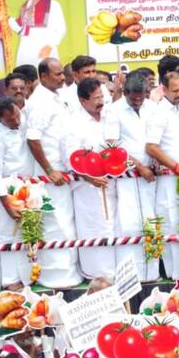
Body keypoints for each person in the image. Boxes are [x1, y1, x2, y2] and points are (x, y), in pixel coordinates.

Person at [26, 58, 81, 288]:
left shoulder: (56, 97)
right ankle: (56, 277)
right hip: (49, 177)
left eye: (62, 74)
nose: (62, 77)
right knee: (55, 225)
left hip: (62, 174)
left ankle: (68, 272)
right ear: (43, 76)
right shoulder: (40, 102)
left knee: (66, 224)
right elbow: (33, 138)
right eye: (57, 74)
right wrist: (49, 170)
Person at [105, 71, 159, 281]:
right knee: (129, 224)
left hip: (153, 174)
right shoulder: (114, 110)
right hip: (128, 176)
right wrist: (138, 166)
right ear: (125, 93)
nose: (137, 102)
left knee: (152, 221)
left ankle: (152, 273)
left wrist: (154, 162)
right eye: (132, 99)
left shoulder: (153, 108)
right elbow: (112, 144)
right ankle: (131, 276)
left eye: (141, 98)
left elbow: (157, 138)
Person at [66, 77, 117, 279]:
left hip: (110, 184)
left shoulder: (108, 117)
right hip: (87, 189)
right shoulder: (74, 123)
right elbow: (70, 157)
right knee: (94, 227)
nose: (101, 102)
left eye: (102, 96)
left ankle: (113, 274)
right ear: (82, 101)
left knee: (111, 226)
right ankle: (97, 276)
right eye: (96, 98)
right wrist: (89, 177)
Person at [145, 71, 179, 279]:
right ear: (163, 90)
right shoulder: (159, 113)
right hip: (169, 178)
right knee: (172, 223)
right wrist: (176, 166)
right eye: (175, 90)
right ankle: (176, 276)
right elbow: (151, 147)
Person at [0, 98, 34, 290]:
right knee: (8, 233)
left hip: (27, 186)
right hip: (7, 189)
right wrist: (6, 202)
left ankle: (28, 276)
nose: (16, 121)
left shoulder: (22, 126)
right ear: (0, 120)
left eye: (17, 115)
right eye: (11, 119)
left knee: (27, 233)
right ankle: (9, 280)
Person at [10, 0, 66, 67]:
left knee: (47, 76)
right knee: (25, 77)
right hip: (26, 47)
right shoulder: (26, 5)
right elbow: (20, 27)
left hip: (44, 47)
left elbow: (61, 29)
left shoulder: (53, 4)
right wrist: (5, 17)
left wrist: (49, 46)